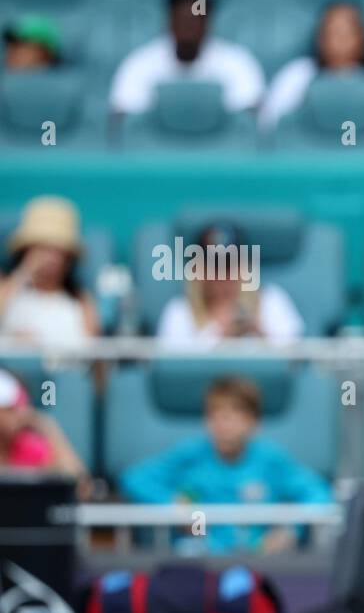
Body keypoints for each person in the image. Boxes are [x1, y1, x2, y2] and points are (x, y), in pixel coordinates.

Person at [119, 376, 333, 555]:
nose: (223, 423)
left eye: (233, 415)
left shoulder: (271, 459)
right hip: (200, 557)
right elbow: (134, 479)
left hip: (258, 560)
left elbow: (319, 495)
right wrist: (176, 507)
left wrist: (290, 531)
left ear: (254, 423)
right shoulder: (191, 454)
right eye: (215, 415)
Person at [259, 0, 364, 133]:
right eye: (333, 32)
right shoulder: (298, 73)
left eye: (348, 32)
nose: (340, 39)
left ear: (363, 37)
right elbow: (268, 124)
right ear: (320, 38)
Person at [109, 0, 265, 115]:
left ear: (208, 23)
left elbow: (249, 121)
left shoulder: (237, 62)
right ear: (168, 22)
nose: (188, 26)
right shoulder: (139, 63)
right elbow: (124, 120)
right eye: (182, 19)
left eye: (195, 19)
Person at [155, 223, 304, 347]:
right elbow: (174, 369)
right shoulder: (179, 312)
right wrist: (220, 336)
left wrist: (258, 332)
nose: (224, 276)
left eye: (230, 265)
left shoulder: (271, 300)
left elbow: (295, 358)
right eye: (215, 266)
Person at [0, 196, 99, 346]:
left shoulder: (81, 301)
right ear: (27, 250)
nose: (52, 258)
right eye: (43, 248)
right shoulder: (8, 289)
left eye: (59, 250)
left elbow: (95, 354)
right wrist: (24, 273)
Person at [0, 367, 92, 499]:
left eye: (18, 408)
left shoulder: (31, 448)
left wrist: (47, 427)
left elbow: (82, 489)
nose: (19, 414)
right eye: (9, 409)